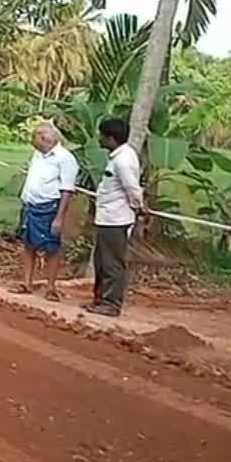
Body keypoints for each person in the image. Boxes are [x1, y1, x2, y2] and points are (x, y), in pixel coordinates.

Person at [12, 122, 79, 301]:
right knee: (28, 243)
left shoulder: (65, 159)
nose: (36, 147)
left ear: (45, 138)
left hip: (49, 206)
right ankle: (27, 283)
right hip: (30, 204)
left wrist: (59, 218)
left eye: (36, 143)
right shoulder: (39, 155)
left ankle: (51, 287)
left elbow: (67, 189)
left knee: (51, 247)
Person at [86, 117, 146, 317]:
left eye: (103, 136)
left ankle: (111, 303)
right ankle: (100, 299)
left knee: (112, 263)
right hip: (107, 217)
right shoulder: (117, 157)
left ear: (111, 139)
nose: (100, 139)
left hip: (116, 219)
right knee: (102, 261)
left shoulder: (124, 160)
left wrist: (140, 207)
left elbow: (132, 188)